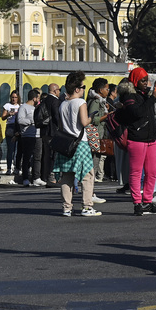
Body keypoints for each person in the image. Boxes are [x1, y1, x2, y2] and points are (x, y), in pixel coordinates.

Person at [52, 71, 101, 217]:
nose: (85, 89)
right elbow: (84, 122)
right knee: (87, 175)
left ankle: (67, 208)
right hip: (81, 143)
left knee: (67, 176)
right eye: (83, 86)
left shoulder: (63, 105)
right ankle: (87, 207)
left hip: (66, 144)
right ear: (77, 89)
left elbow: (61, 126)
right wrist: (92, 116)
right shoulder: (81, 102)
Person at [119, 67, 156, 216]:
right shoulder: (129, 96)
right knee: (136, 172)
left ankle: (148, 201)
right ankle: (137, 203)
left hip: (151, 138)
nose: (146, 83)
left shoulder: (145, 95)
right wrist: (152, 98)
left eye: (147, 80)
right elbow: (138, 113)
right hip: (137, 139)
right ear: (135, 81)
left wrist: (151, 97)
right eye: (142, 80)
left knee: (151, 172)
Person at [17, 89, 42, 186]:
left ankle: (36, 177)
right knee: (27, 157)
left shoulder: (37, 107)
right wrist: (31, 121)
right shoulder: (24, 107)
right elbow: (20, 120)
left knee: (37, 157)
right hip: (27, 136)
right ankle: (25, 178)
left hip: (37, 135)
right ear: (34, 98)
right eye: (38, 97)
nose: (39, 100)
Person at [87, 78, 110, 183]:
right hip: (95, 136)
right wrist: (106, 116)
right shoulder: (96, 102)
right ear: (100, 90)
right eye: (107, 89)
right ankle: (90, 190)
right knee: (94, 163)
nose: (108, 91)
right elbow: (93, 119)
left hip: (98, 135)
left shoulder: (101, 101)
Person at [2, 91, 21, 176]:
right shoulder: (7, 106)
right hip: (10, 127)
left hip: (18, 127)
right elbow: (3, 117)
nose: (14, 99)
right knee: (10, 150)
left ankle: (17, 167)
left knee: (18, 150)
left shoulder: (20, 106)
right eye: (12, 97)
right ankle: (9, 168)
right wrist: (8, 114)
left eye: (15, 97)